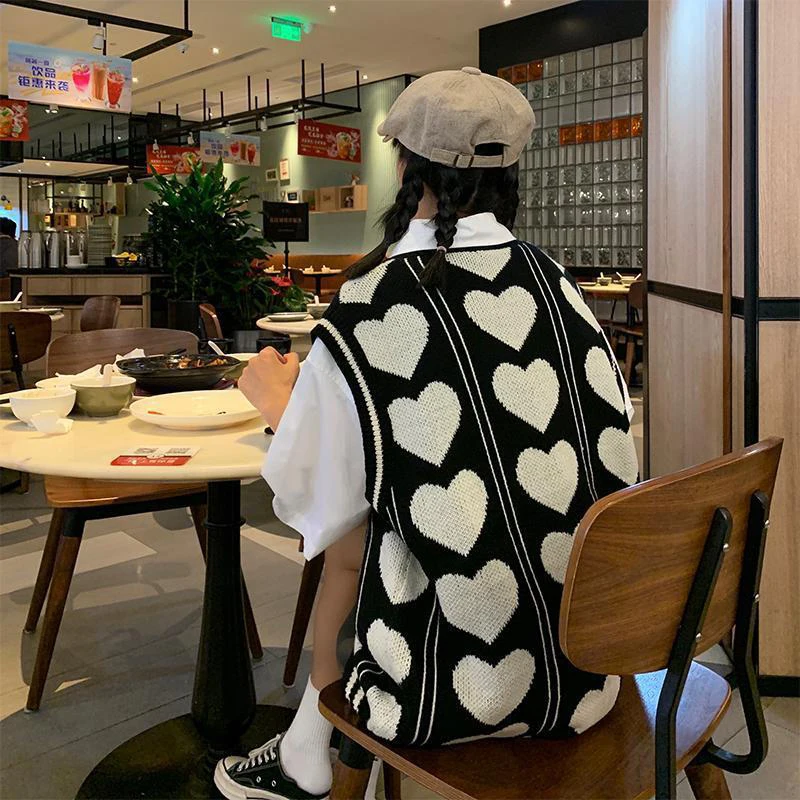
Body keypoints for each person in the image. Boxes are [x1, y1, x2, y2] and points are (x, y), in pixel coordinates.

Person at [217, 67, 638, 800]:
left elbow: (322, 498)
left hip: (442, 688)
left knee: (349, 542)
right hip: (590, 668)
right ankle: (307, 746)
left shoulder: (369, 302)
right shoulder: (557, 283)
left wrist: (280, 405)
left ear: (406, 166)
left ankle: (311, 747)